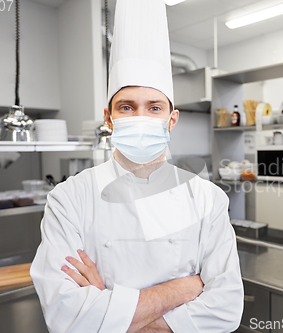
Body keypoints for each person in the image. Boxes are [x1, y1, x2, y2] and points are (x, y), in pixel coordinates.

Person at [29, 0, 244, 332]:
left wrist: (107, 308)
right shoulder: (69, 198)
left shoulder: (208, 199)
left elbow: (227, 309)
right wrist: (185, 288)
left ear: (171, 120)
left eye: (154, 107)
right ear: (109, 118)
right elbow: (65, 316)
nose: (141, 117)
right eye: (127, 107)